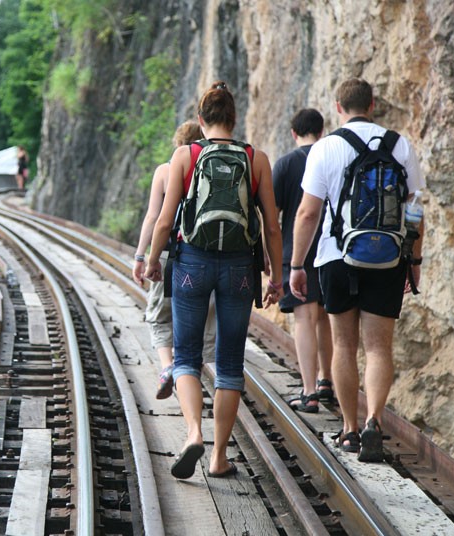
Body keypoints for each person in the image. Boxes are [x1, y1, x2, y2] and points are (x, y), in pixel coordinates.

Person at [144, 81, 283, 479]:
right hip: (240, 269)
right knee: (229, 364)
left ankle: (192, 433)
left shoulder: (185, 155)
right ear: (235, 119)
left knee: (186, 357)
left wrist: (154, 261)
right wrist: (275, 274)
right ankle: (219, 456)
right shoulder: (256, 159)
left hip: (192, 263)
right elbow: (271, 227)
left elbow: (165, 220)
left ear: (201, 120)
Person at [289, 78, 424, 462]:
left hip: (336, 258)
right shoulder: (400, 145)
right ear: (373, 104)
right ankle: (374, 421)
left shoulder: (326, 147)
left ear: (337, 108)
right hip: (388, 257)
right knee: (379, 347)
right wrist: (414, 263)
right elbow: (416, 211)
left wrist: (297, 264)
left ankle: (349, 431)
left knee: (345, 345)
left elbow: (307, 212)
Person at [132, 120, 217, 400]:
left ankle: (168, 367)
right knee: (199, 317)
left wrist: (142, 256)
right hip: (205, 254)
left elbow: (154, 217)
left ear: (177, 143)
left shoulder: (166, 171)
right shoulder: (213, 169)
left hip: (168, 253)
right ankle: (192, 373)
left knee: (159, 315)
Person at [272, 109, 334, 413]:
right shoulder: (332, 157)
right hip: (332, 248)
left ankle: (309, 391)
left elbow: (271, 212)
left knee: (305, 319)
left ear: (294, 133)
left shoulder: (287, 163)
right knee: (326, 316)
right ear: (322, 131)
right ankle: (326, 380)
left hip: (298, 250)